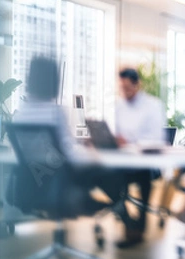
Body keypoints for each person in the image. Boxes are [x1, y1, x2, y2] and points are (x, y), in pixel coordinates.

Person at [12, 57, 125, 218]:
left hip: (35, 187)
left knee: (100, 172)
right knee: (108, 172)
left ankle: (120, 208)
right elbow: (68, 154)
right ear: (54, 81)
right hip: (61, 188)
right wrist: (93, 156)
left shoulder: (21, 113)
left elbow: (44, 152)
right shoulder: (55, 112)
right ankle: (120, 207)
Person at [114, 68, 165, 248]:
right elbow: (117, 134)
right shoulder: (119, 106)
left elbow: (156, 139)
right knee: (109, 178)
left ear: (137, 85)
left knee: (143, 177)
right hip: (124, 160)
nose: (124, 92)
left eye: (128, 88)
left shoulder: (153, 105)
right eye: (122, 88)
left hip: (146, 162)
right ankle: (129, 222)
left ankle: (140, 227)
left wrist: (132, 142)